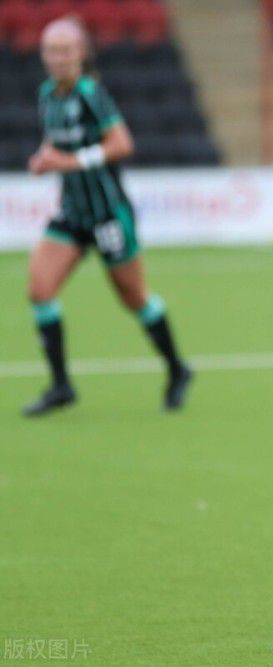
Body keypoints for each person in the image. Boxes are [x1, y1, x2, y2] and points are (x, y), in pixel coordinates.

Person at [24, 16, 192, 416]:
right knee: (40, 289)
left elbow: (121, 143)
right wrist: (45, 158)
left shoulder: (91, 93)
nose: (57, 58)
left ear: (80, 53)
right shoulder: (47, 94)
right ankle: (61, 386)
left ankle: (177, 368)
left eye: (65, 50)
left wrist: (67, 161)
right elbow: (57, 140)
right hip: (72, 213)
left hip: (107, 215)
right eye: (51, 50)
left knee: (134, 298)